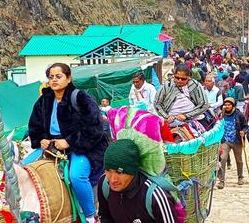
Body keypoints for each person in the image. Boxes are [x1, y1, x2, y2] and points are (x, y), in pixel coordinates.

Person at [28, 63, 108, 223]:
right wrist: (41, 139)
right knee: (24, 168)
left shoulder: (80, 97)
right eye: (51, 77)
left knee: (76, 176)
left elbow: (94, 127)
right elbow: (34, 126)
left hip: (81, 147)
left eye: (58, 76)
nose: (54, 80)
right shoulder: (44, 101)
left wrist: (69, 141)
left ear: (68, 78)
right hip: (52, 146)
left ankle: (90, 215)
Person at [97, 139, 179, 223]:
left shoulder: (155, 197)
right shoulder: (104, 184)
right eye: (108, 170)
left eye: (119, 172)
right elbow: (105, 216)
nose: (112, 179)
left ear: (132, 171)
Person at [154, 64, 210, 129]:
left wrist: (186, 115)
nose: (179, 80)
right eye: (177, 78)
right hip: (172, 120)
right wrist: (166, 117)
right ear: (174, 76)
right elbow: (157, 103)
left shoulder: (195, 85)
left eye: (183, 79)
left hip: (193, 119)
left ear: (188, 77)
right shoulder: (167, 85)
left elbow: (204, 104)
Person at [217, 97, 248, 189]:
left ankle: (240, 177)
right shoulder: (221, 115)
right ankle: (221, 180)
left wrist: (243, 131)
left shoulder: (239, 115)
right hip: (225, 141)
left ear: (233, 105)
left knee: (239, 160)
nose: (226, 106)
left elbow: (246, 126)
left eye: (229, 105)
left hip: (237, 141)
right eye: (225, 105)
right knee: (222, 159)